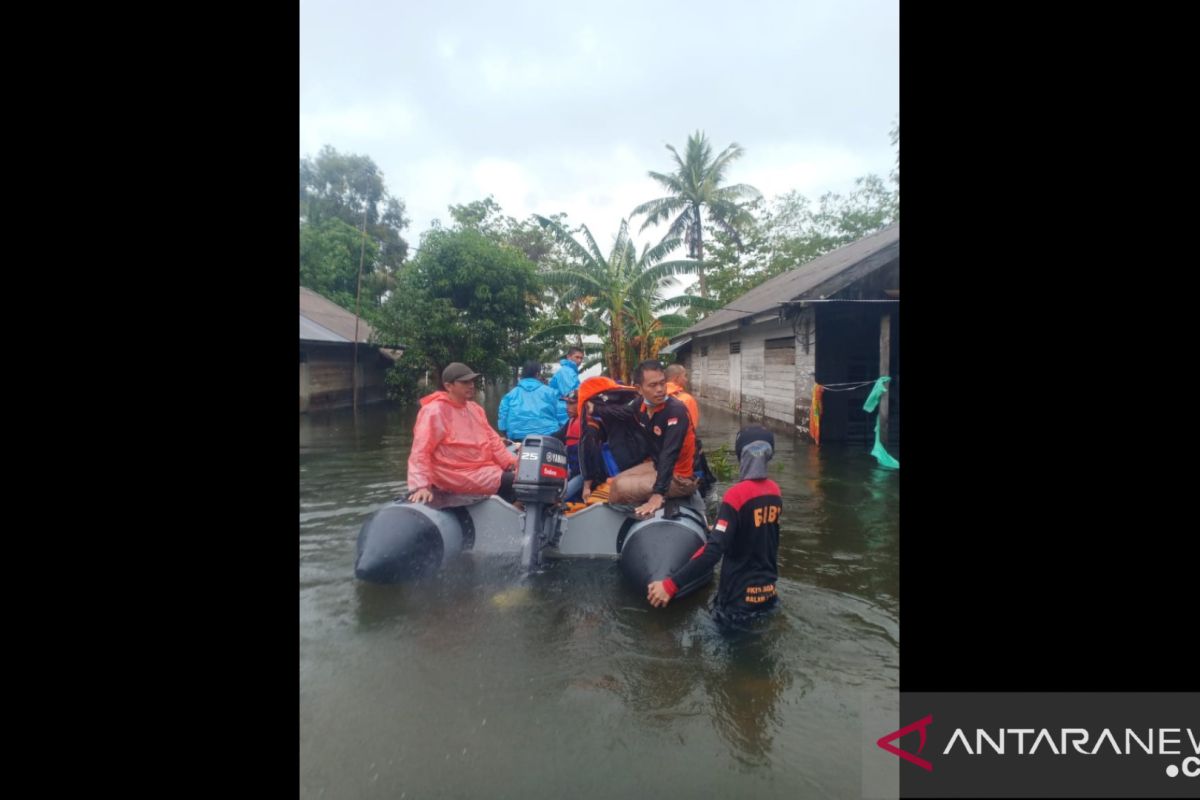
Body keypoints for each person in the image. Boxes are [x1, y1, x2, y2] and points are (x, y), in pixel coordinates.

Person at [647, 426, 782, 626]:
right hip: (768, 595)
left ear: (740, 454)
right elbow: (759, 535)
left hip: (737, 601)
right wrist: (722, 527)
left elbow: (713, 551)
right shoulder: (775, 492)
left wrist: (670, 585)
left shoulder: (736, 496)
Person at [407, 362, 518, 505]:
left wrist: (510, 463)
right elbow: (420, 451)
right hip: (455, 475)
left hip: (482, 470)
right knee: (518, 484)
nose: (471, 385)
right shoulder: (434, 412)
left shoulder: (474, 409)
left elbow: (493, 441)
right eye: (465, 382)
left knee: (526, 479)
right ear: (449, 386)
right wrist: (421, 486)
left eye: (472, 381)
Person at [607, 360, 697, 517]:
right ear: (639, 389)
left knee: (618, 489)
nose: (660, 390)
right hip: (658, 465)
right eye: (653, 385)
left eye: (662, 383)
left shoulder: (675, 410)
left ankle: (645, 513)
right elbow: (620, 412)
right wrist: (595, 407)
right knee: (614, 481)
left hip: (679, 477)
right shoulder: (640, 404)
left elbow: (670, 452)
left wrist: (658, 493)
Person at [577, 377, 651, 504]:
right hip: (641, 460)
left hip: (621, 466)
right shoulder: (627, 401)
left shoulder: (593, 418)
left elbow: (588, 450)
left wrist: (587, 484)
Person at [498, 361, 562, 441]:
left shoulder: (510, 395)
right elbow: (560, 414)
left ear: (523, 374)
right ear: (538, 374)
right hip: (548, 436)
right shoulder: (550, 392)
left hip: (517, 437)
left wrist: (506, 434)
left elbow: (502, 420)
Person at [551, 389, 584, 502]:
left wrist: (588, 485)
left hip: (585, 476)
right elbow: (556, 437)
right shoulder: (571, 421)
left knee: (556, 500)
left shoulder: (588, 425)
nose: (567, 407)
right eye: (566, 403)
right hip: (574, 470)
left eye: (571, 403)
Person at [549, 347, 585, 423]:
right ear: (568, 357)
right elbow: (571, 394)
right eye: (577, 357)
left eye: (581, 358)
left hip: (563, 409)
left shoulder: (569, 371)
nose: (579, 360)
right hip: (564, 411)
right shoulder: (566, 371)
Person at [664, 363, 699, 429]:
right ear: (676, 378)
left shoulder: (658, 395)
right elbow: (692, 426)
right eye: (685, 376)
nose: (686, 379)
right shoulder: (687, 399)